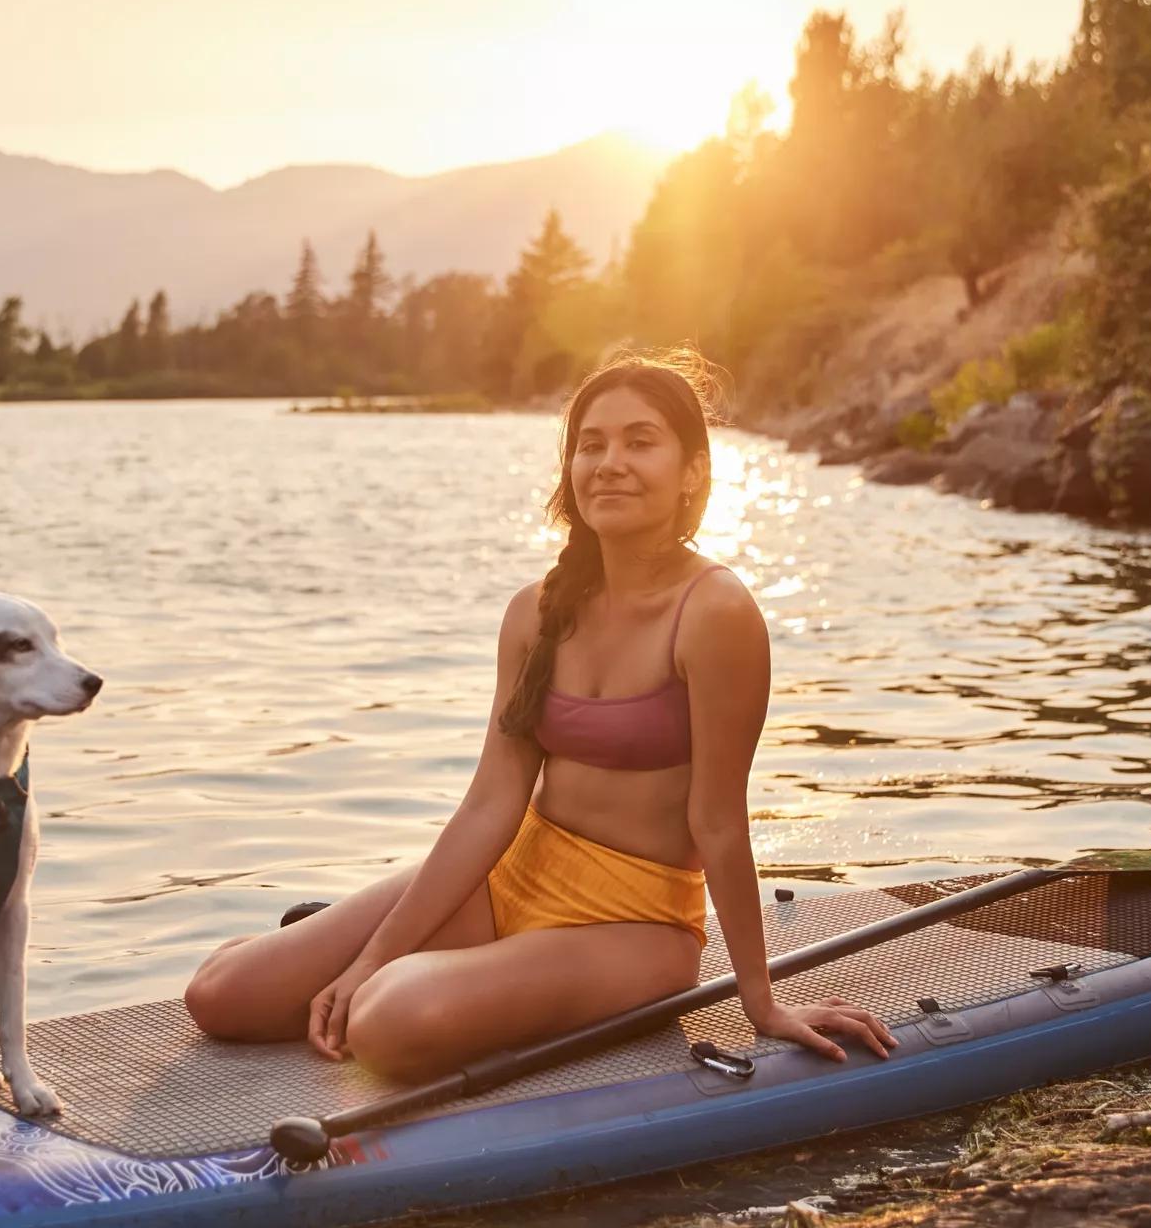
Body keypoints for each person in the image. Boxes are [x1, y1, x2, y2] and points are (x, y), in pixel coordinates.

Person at [182, 351, 897, 1081]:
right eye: (592, 444)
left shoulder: (714, 612)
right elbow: (493, 803)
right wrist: (370, 951)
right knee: (218, 997)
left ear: (693, 472)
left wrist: (762, 1002)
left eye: (640, 441)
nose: (610, 462)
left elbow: (718, 820)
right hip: (511, 877)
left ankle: (427, 969)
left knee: (385, 1020)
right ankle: (350, 946)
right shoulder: (535, 612)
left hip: (634, 925)